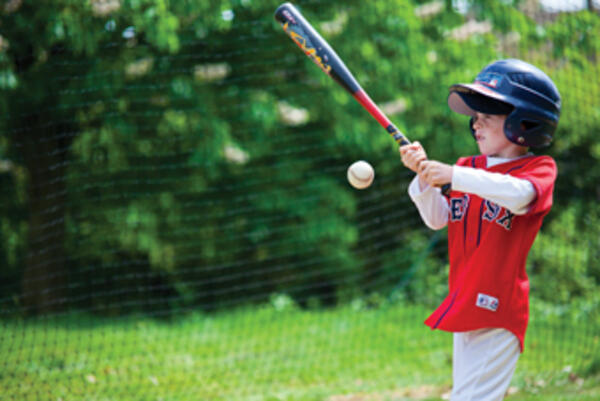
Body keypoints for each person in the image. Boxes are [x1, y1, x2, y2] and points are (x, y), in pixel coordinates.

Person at [399, 59, 561, 401]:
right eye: (475, 117)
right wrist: (424, 178)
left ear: (524, 122)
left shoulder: (538, 169)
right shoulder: (467, 167)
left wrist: (453, 176)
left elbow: (520, 196)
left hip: (499, 308)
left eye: (488, 116)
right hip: (465, 299)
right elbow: (439, 218)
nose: (476, 124)